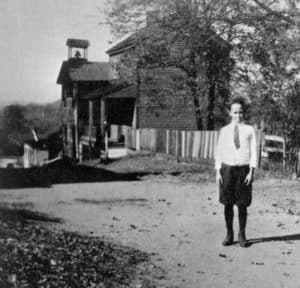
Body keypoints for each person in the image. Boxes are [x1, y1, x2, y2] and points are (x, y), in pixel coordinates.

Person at [215, 97, 257, 248]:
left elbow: (253, 152)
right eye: (235, 112)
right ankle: (229, 234)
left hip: (243, 170)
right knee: (227, 204)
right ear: (230, 113)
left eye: (240, 112)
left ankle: (242, 234)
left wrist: (251, 172)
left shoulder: (249, 130)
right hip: (227, 170)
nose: (238, 115)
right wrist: (218, 171)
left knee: (242, 204)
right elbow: (219, 152)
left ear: (243, 113)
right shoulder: (225, 131)